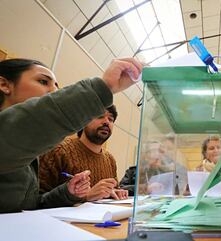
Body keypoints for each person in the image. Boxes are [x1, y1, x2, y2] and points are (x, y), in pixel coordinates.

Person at [0, 57, 142, 213]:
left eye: (56, 86)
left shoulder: (29, 156)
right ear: (4, 84)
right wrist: (103, 88)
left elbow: (31, 207)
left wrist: (69, 193)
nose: (54, 91)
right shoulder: (51, 147)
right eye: (43, 81)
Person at [39, 105, 128, 201]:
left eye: (110, 119)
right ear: (83, 121)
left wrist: (113, 191)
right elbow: (39, 200)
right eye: (99, 116)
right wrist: (86, 196)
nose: (106, 122)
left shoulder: (110, 160)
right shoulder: (59, 151)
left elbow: (112, 189)